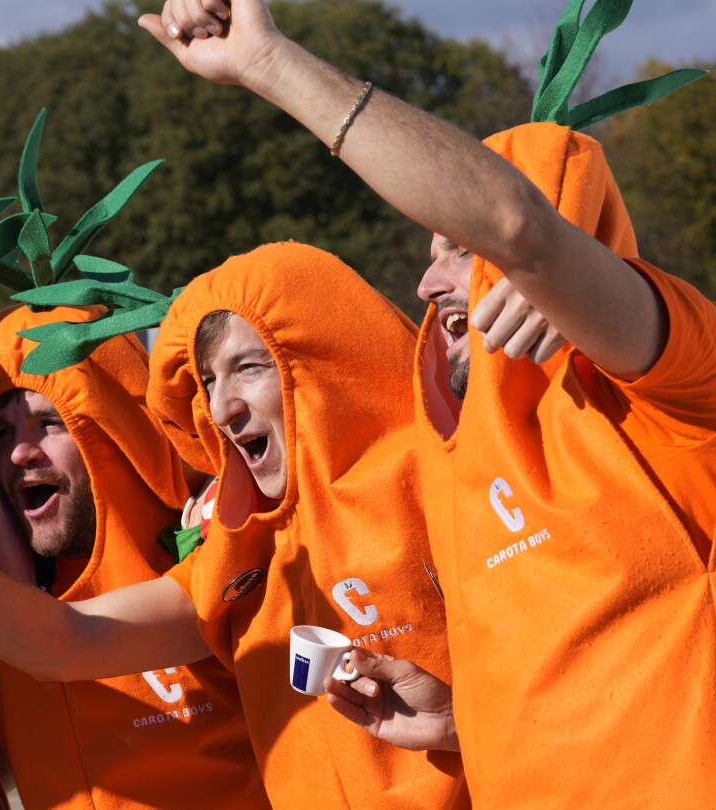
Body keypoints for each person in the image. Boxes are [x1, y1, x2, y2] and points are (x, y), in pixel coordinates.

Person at [144, 0, 715, 804]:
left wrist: (269, 64)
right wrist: (457, 723)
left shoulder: (669, 378)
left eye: (457, 249)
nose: (425, 282)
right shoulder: (458, 455)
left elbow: (519, 225)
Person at [0, 243, 468, 809]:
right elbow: (65, 644)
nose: (221, 407)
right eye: (209, 380)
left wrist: (456, 722)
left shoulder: (448, 489)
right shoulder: (234, 558)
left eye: (250, 367)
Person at [0, 302, 268, 808]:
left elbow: (59, 645)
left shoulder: (218, 548)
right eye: (1, 432)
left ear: (114, 430)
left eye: (49, 423)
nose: (20, 452)